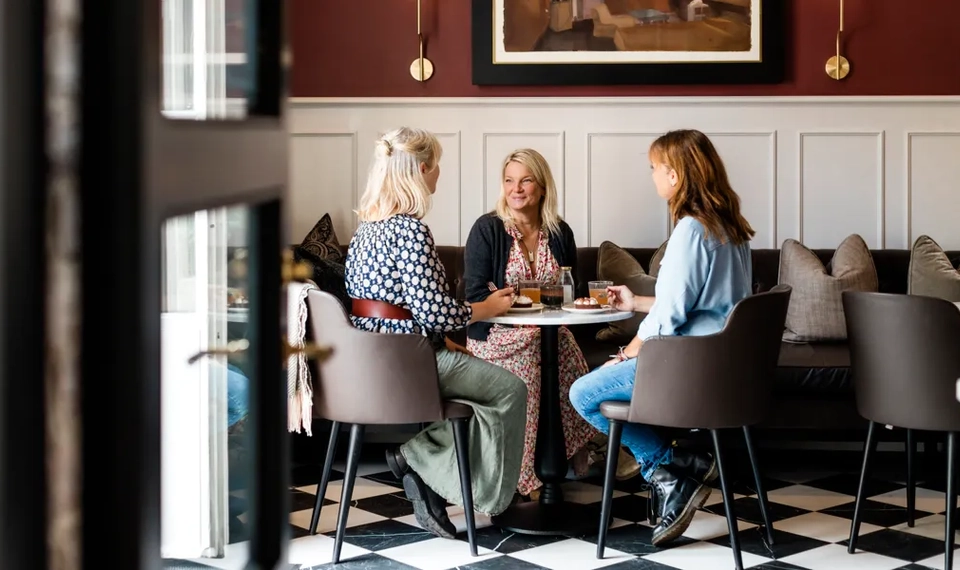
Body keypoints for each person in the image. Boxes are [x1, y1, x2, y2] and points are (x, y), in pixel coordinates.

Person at [569, 129, 755, 546]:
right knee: (597, 386)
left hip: (686, 367)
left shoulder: (691, 231)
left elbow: (670, 317)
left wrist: (626, 352)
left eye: (654, 168)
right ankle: (684, 464)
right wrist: (635, 302)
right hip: (720, 365)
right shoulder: (732, 229)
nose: (652, 175)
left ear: (674, 175)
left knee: (582, 393)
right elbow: (702, 305)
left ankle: (668, 470)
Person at [343, 127, 528, 539]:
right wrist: (489, 307)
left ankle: (429, 474)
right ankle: (424, 465)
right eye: (437, 164)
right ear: (423, 169)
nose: (439, 173)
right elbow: (437, 312)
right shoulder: (410, 230)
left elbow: (398, 309)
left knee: (485, 392)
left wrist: (443, 338)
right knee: (510, 391)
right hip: (409, 363)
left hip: (369, 361)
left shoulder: (365, 230)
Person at [463, 148, 638, 501]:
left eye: (526, 180)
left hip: (549, 331)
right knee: (532, 368)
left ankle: (585, 446)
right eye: (509, 180)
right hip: (498, 336)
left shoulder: (559, 232)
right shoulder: (488, 229)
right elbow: (477, 292)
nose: (516, 189)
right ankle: (527, 477)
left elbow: (568, 292)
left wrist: (526, 295)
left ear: (541, 187)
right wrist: (529, 298)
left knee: (569, 356)